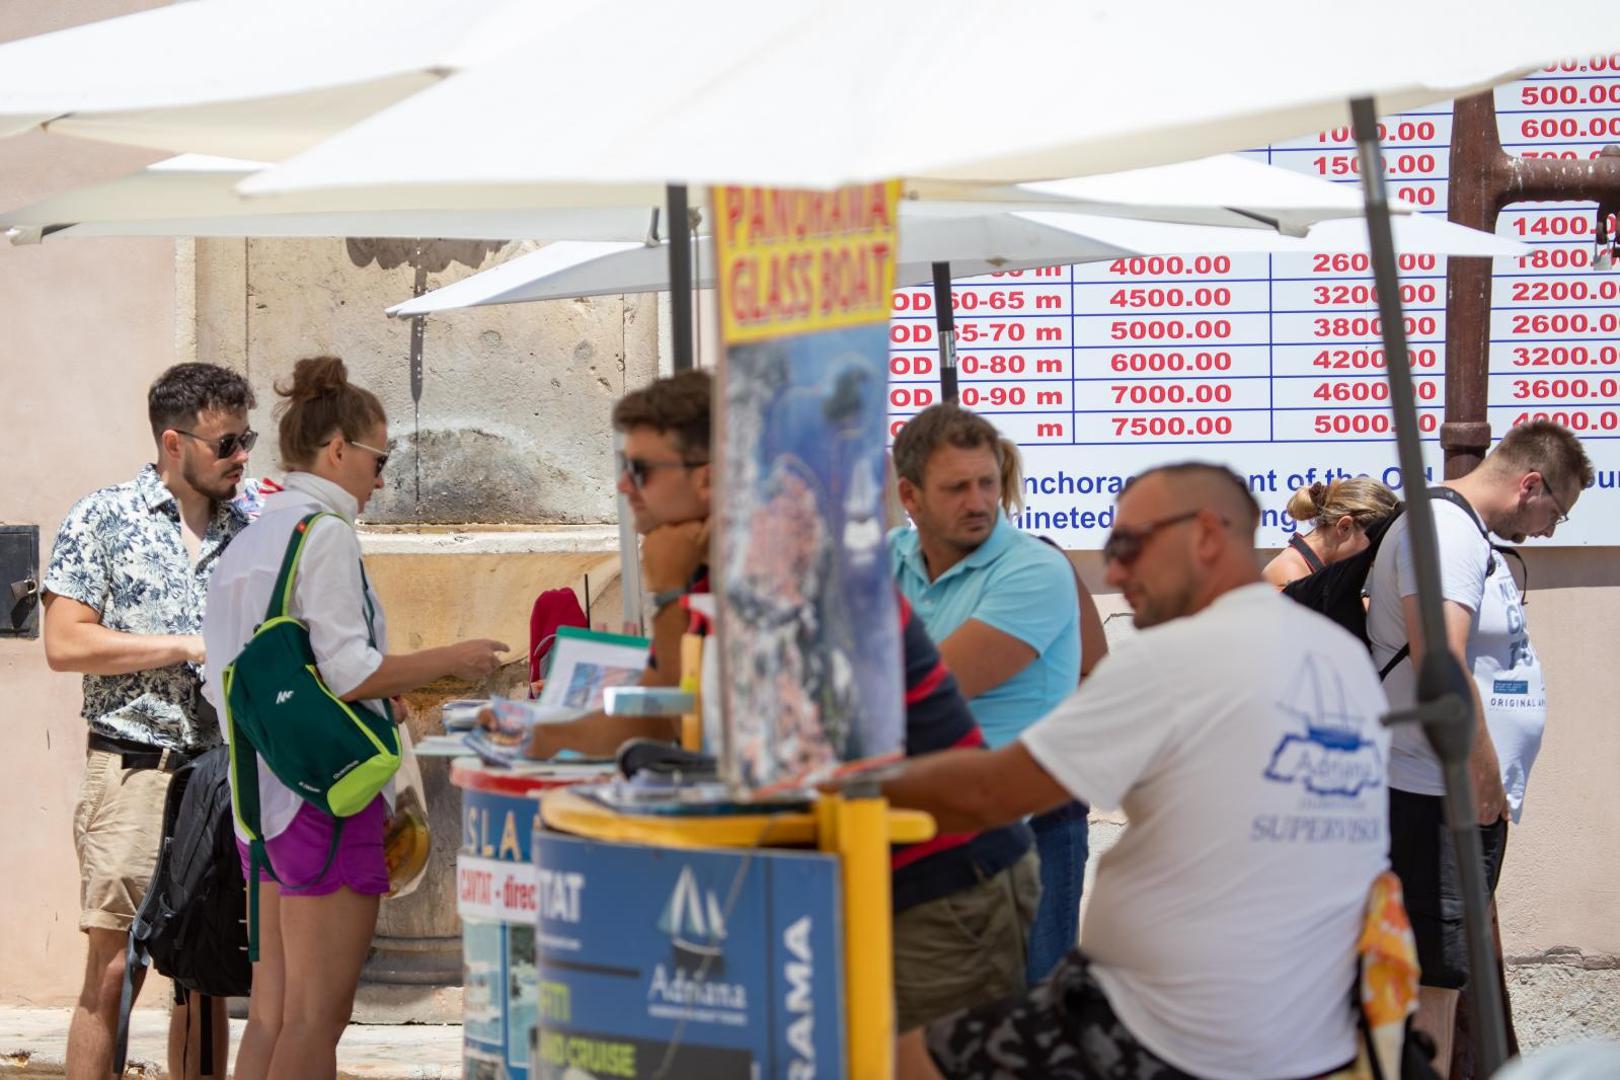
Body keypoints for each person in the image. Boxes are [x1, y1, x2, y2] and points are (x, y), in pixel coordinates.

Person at [526, 371, 1041, 1028]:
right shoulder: (721, 563)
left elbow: (721, 727)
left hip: (943, 875)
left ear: (708, 478)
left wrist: (663, 594)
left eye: (641, 469)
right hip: (862, 874)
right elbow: (661, 701)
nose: (624, 486)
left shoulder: (788, 566)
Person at [886, 462, 1392, 1080]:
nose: (1115, 573)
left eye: (1128, 546)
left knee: (898, 1051)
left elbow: (988, 794)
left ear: (1204, 536)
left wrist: (833, 787)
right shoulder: (1340, 655)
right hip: (1310, 1035)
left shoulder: (1178, 656)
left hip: (1165, 1034)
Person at [203, 357, 507, 1080]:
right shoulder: (324, 534)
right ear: (337, 449)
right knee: (318, 1018)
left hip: (260, 801)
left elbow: (238, 683)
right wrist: (451, 660)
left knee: (274, 1013)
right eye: (380, 457)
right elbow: (349, 671)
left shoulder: (248, 540)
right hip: (326, 796)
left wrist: (380, 696)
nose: (382, 477)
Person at [42, 362, 254, 1080]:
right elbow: (65, 644)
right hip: (135, 772)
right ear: (175, 442)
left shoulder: (253, 524)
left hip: (219, 776)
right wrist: (183, 645)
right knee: (112, 974)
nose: (242, 456)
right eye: (227, 443)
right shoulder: (104, 517)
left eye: (246, 439)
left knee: (205, 981)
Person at [1366, 420, 1592, 1073]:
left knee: (1439, 977)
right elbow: (1441, 661)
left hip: (1449, 793)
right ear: (1530, 484)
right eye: (1557, 512)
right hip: (1437, 793)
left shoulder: (1458, 532)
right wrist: (1485, 774)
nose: (1549, 531)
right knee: (1432, 983)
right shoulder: (1446, 532)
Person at [889, 405, 1082, 983]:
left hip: (1022, 834)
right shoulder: (884, 559)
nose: (978, 502)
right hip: (919, 827)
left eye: (987, 483)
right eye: (956, 488)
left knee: (1015, 1039)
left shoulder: (1035, 570)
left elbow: (919, 692)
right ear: (911, 495)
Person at [1263, 476, 1400, 588]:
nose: (1376, 559)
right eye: (1377, 545)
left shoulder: (1320, 573)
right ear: (1344, 527)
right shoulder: (1292, 575)